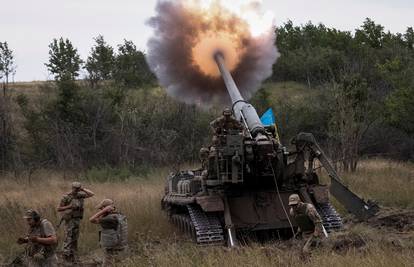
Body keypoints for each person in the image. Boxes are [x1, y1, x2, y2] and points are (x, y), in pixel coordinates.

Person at [57, 182, 94, 264]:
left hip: (77, 219)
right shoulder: (66, 197)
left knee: (75, 239)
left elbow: (92, 194)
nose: (76, 190)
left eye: (78, 189)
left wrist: (83, 189)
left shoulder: (80, 195)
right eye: (75, 188)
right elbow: (59, 208)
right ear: (72, 188)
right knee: (68, 238)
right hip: (70, 219)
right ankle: (66, 257)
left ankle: (74, 257)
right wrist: (69, 207)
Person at [89, 199, 128, 267]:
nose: (100, 210)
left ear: (105, 208)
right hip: (120, 244)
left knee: (107, 263)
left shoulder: (108, 219)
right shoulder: (120, 215)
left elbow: (91, 219)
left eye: (101, 208)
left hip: (111, 246)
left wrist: (103, 212)